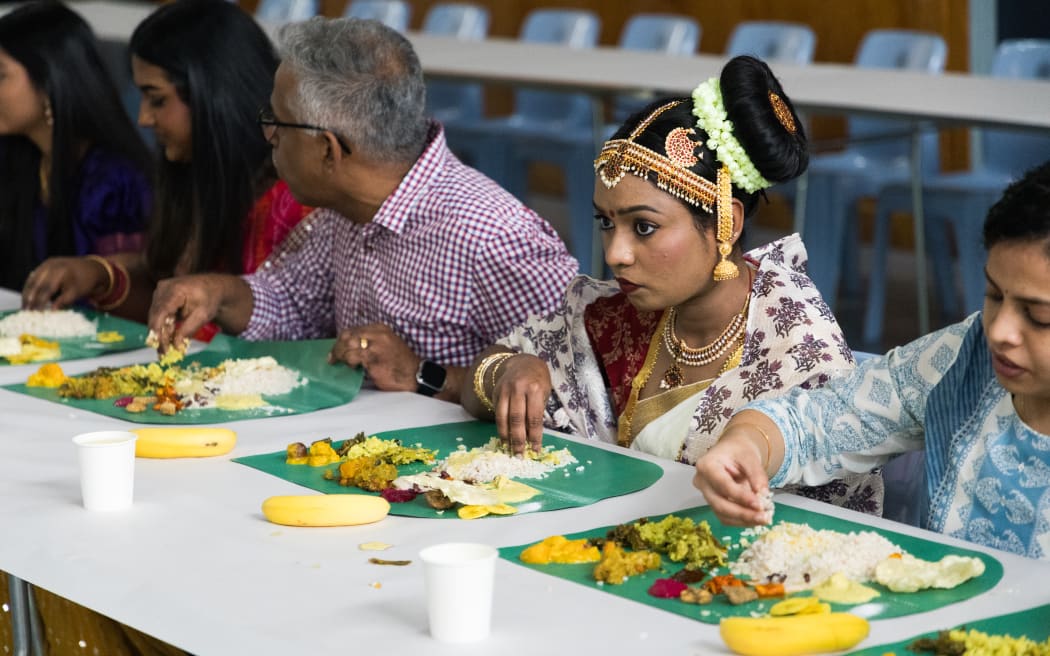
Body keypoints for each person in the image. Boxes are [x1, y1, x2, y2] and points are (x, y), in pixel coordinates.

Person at [460, 56, 878, 513]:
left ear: (726, 223)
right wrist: (512, 370)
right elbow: (477, 384)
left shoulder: (799, 355)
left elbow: (827, 522)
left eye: (643, 227)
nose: (615, 253)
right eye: (606, 222)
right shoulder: (616, 315)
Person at [144, 16, 578, 401]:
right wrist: (216, 293)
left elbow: (576, 385)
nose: (269, 135)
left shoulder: (494, 235)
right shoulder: (347, 209)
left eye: (277, 121)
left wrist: (426, 375)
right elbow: (291, 303)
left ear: (329, 151)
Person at [693, 161, 1050, 559]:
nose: (1000, 331)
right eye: (994, 295)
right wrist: (746, 446)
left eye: (1039, 316)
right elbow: (821, 418)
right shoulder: (965, 360)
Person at [22, 0, 310, 331]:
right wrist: (101, 276)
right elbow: (168, 298)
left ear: (214, 94)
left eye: (157, 99)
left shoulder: (292, 203)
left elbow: (275, 334)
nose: (143, 118)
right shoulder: (192, 176)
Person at [0, 2, 151, 292]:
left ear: (48, 81)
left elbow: (130, 295)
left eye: (1, 75)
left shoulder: (114, 181)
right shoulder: (17, 157)